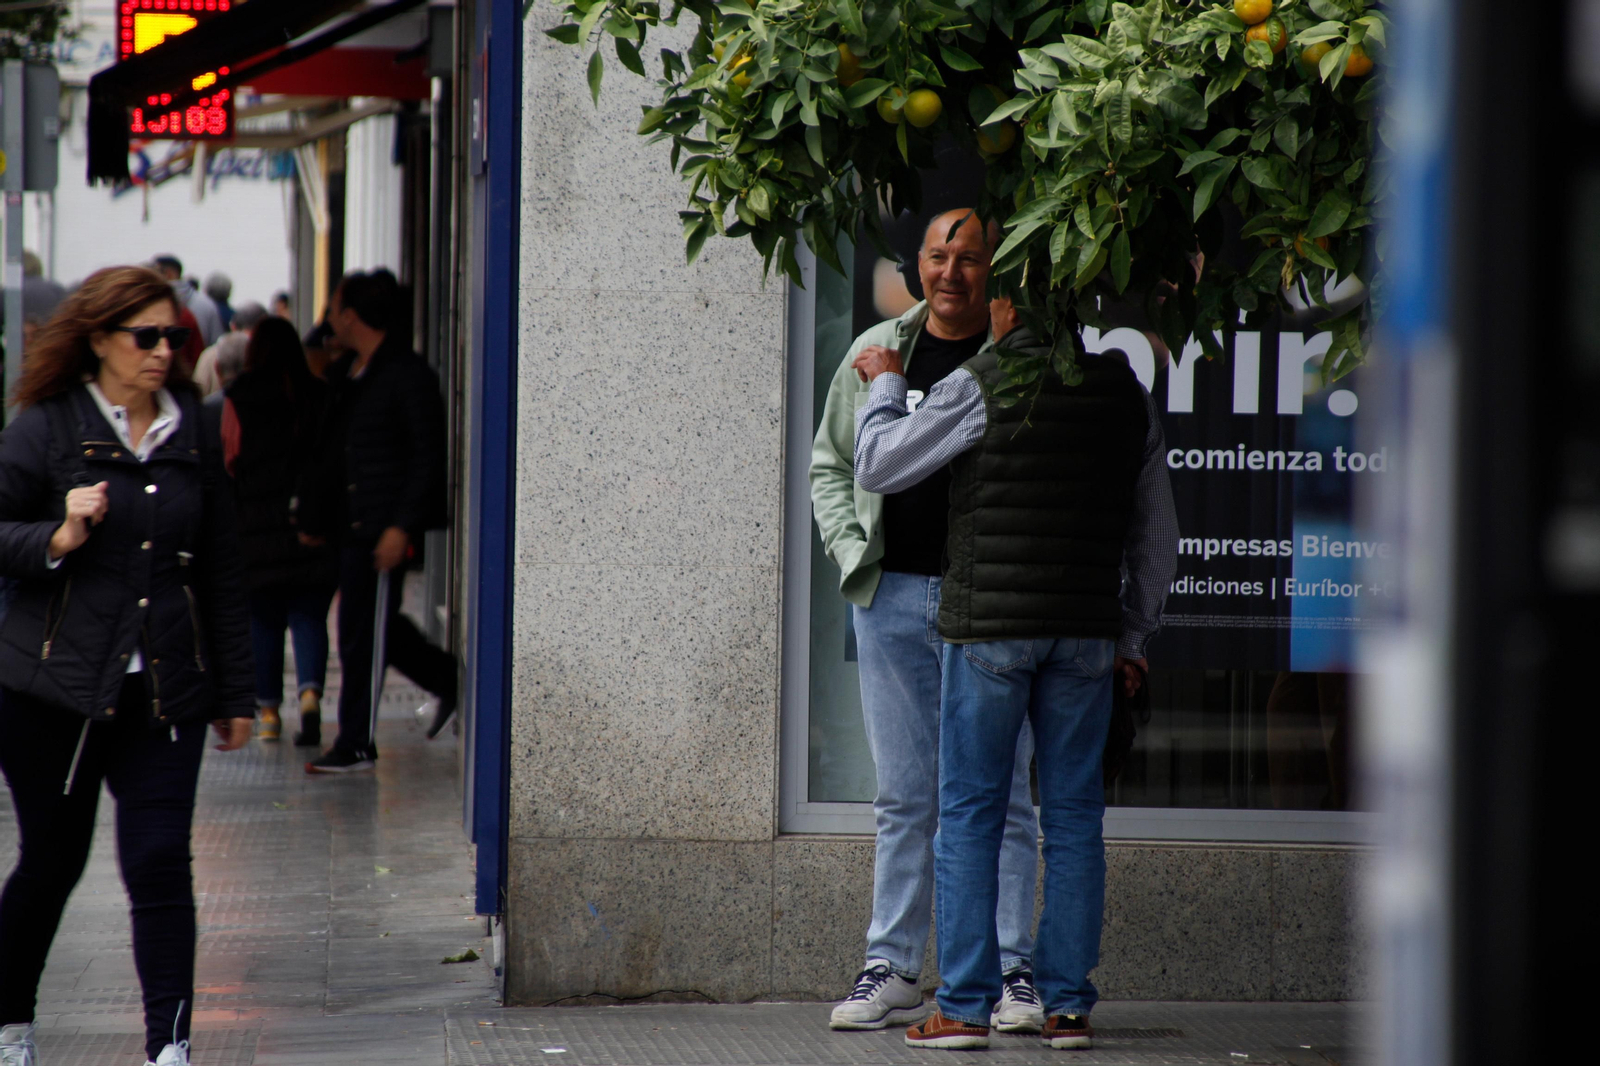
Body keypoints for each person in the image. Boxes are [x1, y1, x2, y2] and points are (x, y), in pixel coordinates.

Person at [850, 218, 1178, 1051]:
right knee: (1072, 815)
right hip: (1085, 638)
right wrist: (1132, 637)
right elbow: (1155, 538)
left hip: (989, 632)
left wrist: (886, 383)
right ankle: (1067, 1005)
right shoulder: (1124, 392)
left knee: (968, 811)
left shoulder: (983, 380)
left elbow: (882, 466)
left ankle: (962, 1007)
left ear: (1010, 303)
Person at [0, 266, 255, 1066]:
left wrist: (237, 691)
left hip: (163, 693)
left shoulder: (196, 428)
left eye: (172, 336)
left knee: (158, 864)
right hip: (54, 692)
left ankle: (168, 1050)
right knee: (52, 862)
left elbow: (220, 567)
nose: (161, 352)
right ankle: (10, 1026)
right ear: (101, 339)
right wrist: (56, 538)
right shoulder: (45, 426)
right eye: (144, 337)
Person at [810, 210, 1044, 1034]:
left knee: (1007, 796)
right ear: (917, 265)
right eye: (939, 255)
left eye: (970, 258)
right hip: (897, 600)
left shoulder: (1015, 358)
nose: (952, 271)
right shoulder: (880, 351)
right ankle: (896, 966)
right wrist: (851, 557)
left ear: (991, 270)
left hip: (992, 608)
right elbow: (831, 464)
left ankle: (1013, 971)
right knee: (906, 797)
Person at [301, 269, 456, 774]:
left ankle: (357, 742)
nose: (327, 320)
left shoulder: (407, 375)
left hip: (383, 528)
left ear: (351, 315)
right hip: (352, 525)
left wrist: (401, 527)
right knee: (370, 629)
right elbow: (333, 453)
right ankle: (450, 679)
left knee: (363, 634)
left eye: (333, 309)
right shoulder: (350, 374)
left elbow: (427, 456)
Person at [222, 317, 337, 746]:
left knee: (264, 621)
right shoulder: (320, 394)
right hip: (311, 523)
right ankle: (309, 696)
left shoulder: (238, 398)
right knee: (309, 615)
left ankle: (268, 712)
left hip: (255, 528)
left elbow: (230, 460)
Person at [152, 256, 222, 346]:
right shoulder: (206, 304)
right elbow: (216, 342)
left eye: (155, 272)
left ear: (168, 273)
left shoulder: (150, 302)